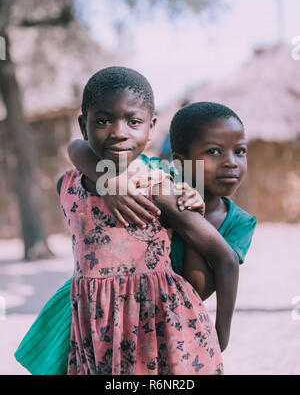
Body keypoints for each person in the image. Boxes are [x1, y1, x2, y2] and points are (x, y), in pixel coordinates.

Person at [16, 67, 235, 375]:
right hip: (94, 330)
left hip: (161, 330)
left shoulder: (157, 187)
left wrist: (221, 333)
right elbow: (76, 149)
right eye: (103, 120)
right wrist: (110, 181)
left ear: (151, 126)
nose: (118, 131)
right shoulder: (66, 186)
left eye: (133, 122)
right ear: (83, 125)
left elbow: (225, 258)